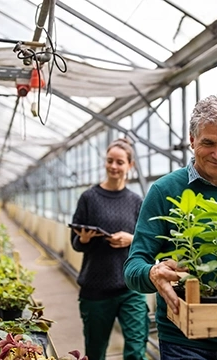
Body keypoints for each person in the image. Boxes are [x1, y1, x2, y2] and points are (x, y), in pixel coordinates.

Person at [123, 94, 217, 360]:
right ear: (192, 140)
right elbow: (133, 267)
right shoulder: (164, 191)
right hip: (184, 339)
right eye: (208, 142)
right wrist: (152, 272)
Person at [70, 138, 149, 360]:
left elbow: (147, 240)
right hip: (96, 288)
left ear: (129, 166)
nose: (114, 166)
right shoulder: (89, 198)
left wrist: (131, 239)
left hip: (131, 288)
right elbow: (74, 243)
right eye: (110, 161)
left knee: (136, 349)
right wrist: (84, 239)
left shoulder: (136, 201)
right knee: (95, 352)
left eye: (120, 162)